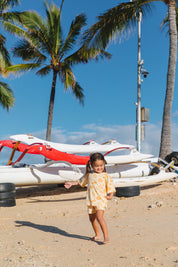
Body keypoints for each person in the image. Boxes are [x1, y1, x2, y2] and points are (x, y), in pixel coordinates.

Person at [64, 152, 115, 244]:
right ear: (91, 165)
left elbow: (111, 186)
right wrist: (71, 183)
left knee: (99, 217)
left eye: (101, 165)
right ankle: (97, 234)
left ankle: (106, 237)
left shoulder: (105, 176)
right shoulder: (89, 175)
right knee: (92, 218)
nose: (99, 168)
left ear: (104, 164)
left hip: (101, 199)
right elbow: (81, 182)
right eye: (96, 166)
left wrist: (110, 196)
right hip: (91, 200)